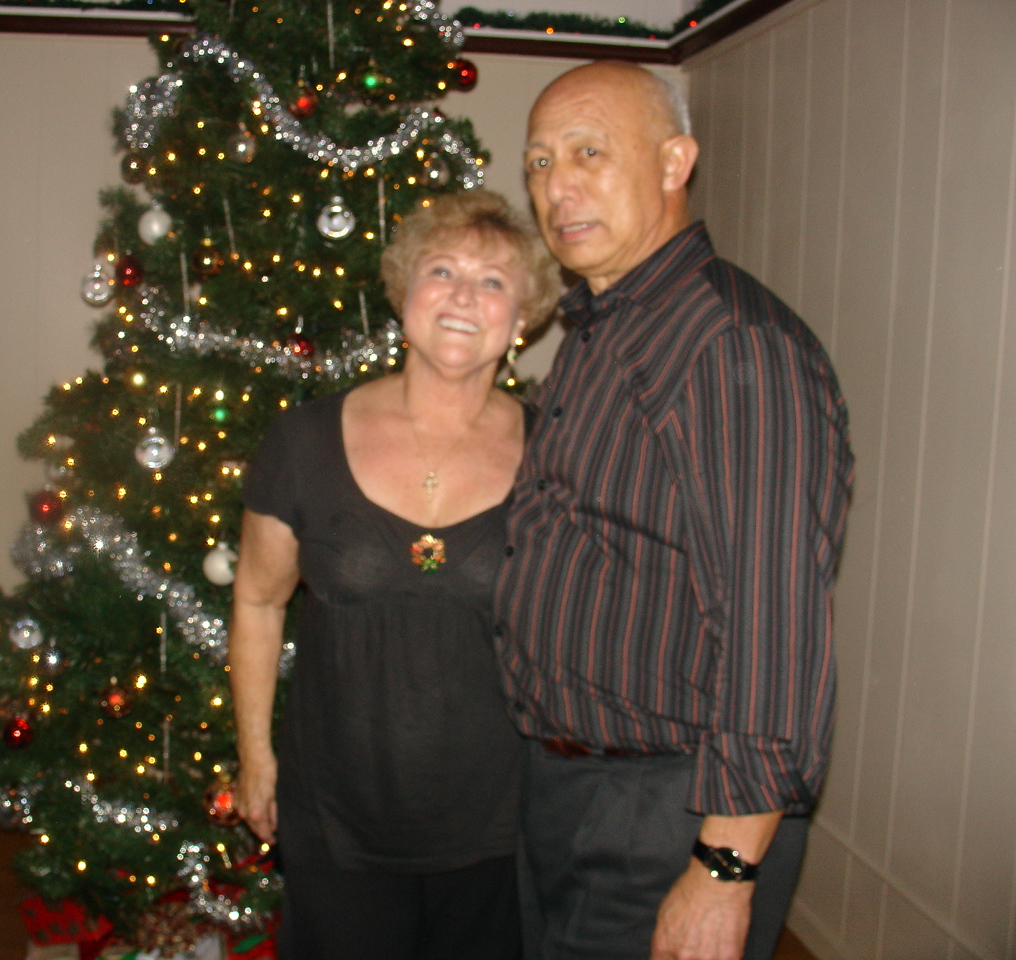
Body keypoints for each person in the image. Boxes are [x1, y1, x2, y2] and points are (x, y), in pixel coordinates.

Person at [494, 61, 855, 960]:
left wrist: (723, 869)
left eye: (589, 152)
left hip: (669, 807)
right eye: (539, 162)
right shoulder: (604, 328)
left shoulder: (730, 346)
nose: (557, 186)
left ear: (673, 162)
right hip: (573, 785)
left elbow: (774, 628)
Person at [228, 189, 561, 960]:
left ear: (523, 317)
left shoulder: (555, 454)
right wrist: (255, 755)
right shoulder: (303, 441)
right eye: (441, 270)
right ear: (405, 291)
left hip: (498, 829)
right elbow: (257, 599)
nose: (462, 297)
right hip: (336, 824)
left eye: (492, 281)